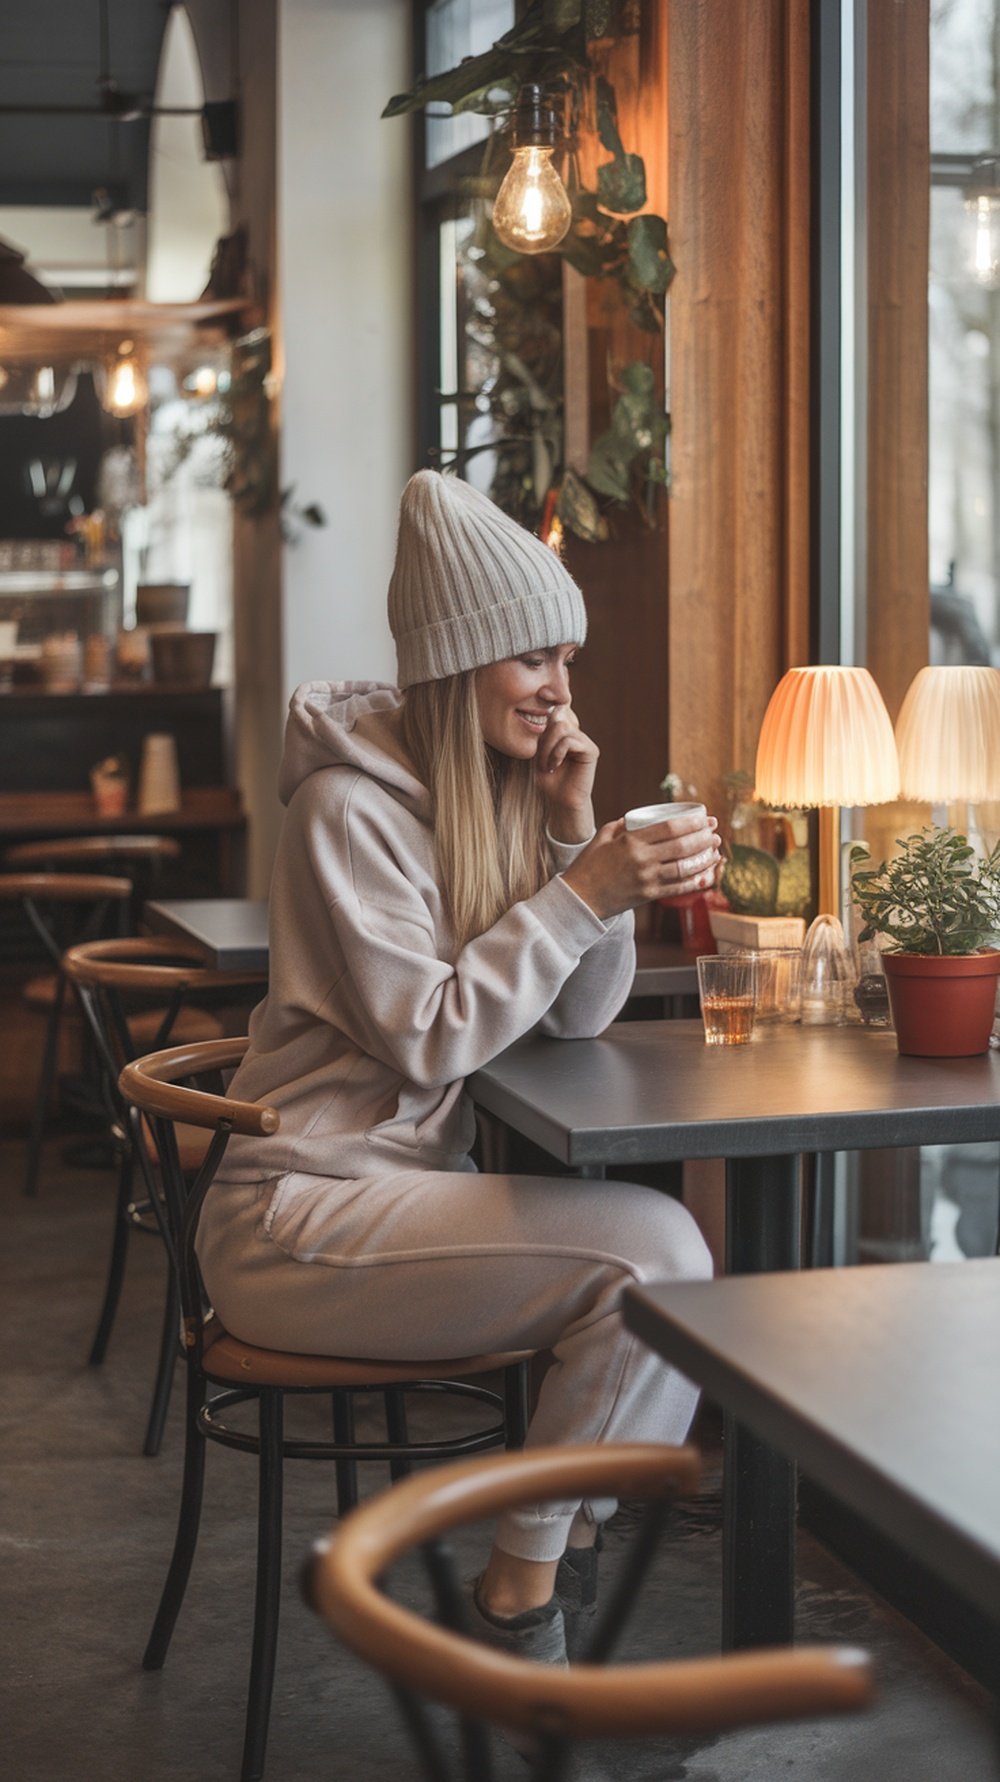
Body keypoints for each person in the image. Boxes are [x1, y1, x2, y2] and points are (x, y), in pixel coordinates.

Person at [196, 469, 718, 1663]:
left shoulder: (478, 792)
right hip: (297, 1217)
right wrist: (583, 890)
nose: (557, 690)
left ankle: (540, 1592)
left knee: (662, 1272)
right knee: (659, 1263)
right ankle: (520, 1605)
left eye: (566, 662)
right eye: (532, 660)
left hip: (401, 1195)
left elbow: (577, 1021)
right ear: (460, 662)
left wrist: (572, 835)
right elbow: (431, 1032)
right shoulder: (346, 810)